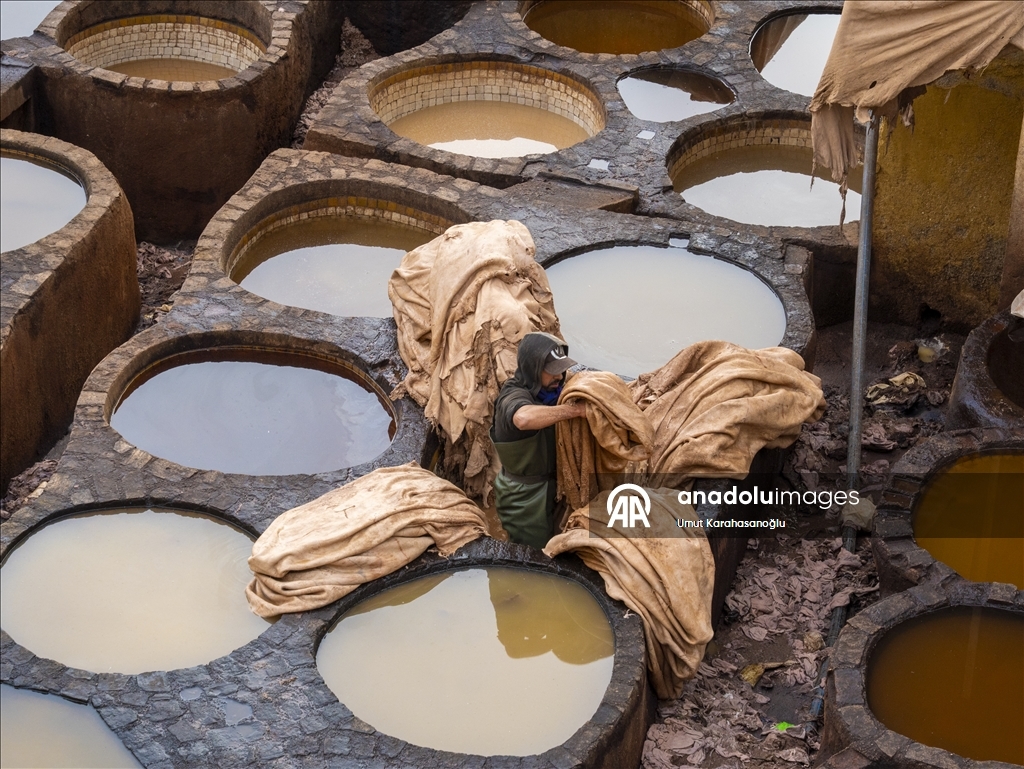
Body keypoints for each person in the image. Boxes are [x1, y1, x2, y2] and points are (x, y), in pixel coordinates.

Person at [490, 332, 585, 548]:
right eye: (551, 371)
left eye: (561, 369)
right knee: (532, 558)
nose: (559, 377)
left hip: (556, 489)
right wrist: (576, 411)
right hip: (524, 498)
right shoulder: (512, 396)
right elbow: (523, 418)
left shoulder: (554, 392)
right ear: (532, 368)